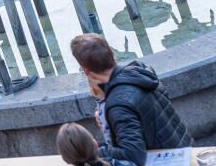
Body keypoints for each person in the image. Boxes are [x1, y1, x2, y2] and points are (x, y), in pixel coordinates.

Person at [70, 33, 191, 166]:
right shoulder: (139, 71)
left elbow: (134, 155)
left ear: (86, 70)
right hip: (182, 148)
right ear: (111, 53)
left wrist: (94, 153)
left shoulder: (119, 105)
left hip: (167, 161)